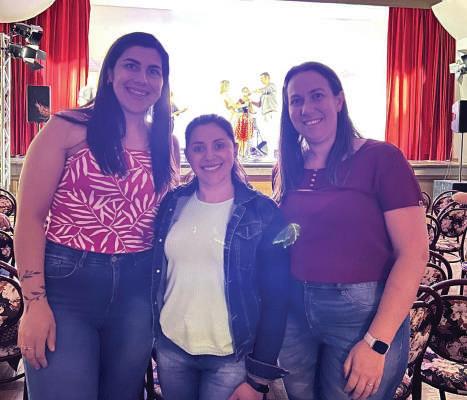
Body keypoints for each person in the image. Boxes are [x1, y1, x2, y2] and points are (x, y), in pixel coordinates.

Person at [14, 32, 179, 400]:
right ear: (110, 73)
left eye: (154, 71)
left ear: (163, 82)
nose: (142, 78)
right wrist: (34, 302)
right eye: (131, 66)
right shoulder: (67, 126)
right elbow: (30, 217)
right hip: (67, 286)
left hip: (138, 290)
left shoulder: (167, 143)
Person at [274, 62, 427, 400]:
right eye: (296, 100)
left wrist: (377, 342)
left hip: (361, 316)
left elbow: (414, 254)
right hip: (294, 312)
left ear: (339, 100)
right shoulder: (287, 166)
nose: (306, 108)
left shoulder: (381, 158)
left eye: (317, 96)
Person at [152, 114, 290, 400]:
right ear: (188, 153)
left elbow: (277, 298)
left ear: (234, 149)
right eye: (198, 147)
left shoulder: (264, 212)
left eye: (219, 145)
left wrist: (258, 379)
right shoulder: (172, 203)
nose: (209, 155)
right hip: (172, 348)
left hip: (231, 357)